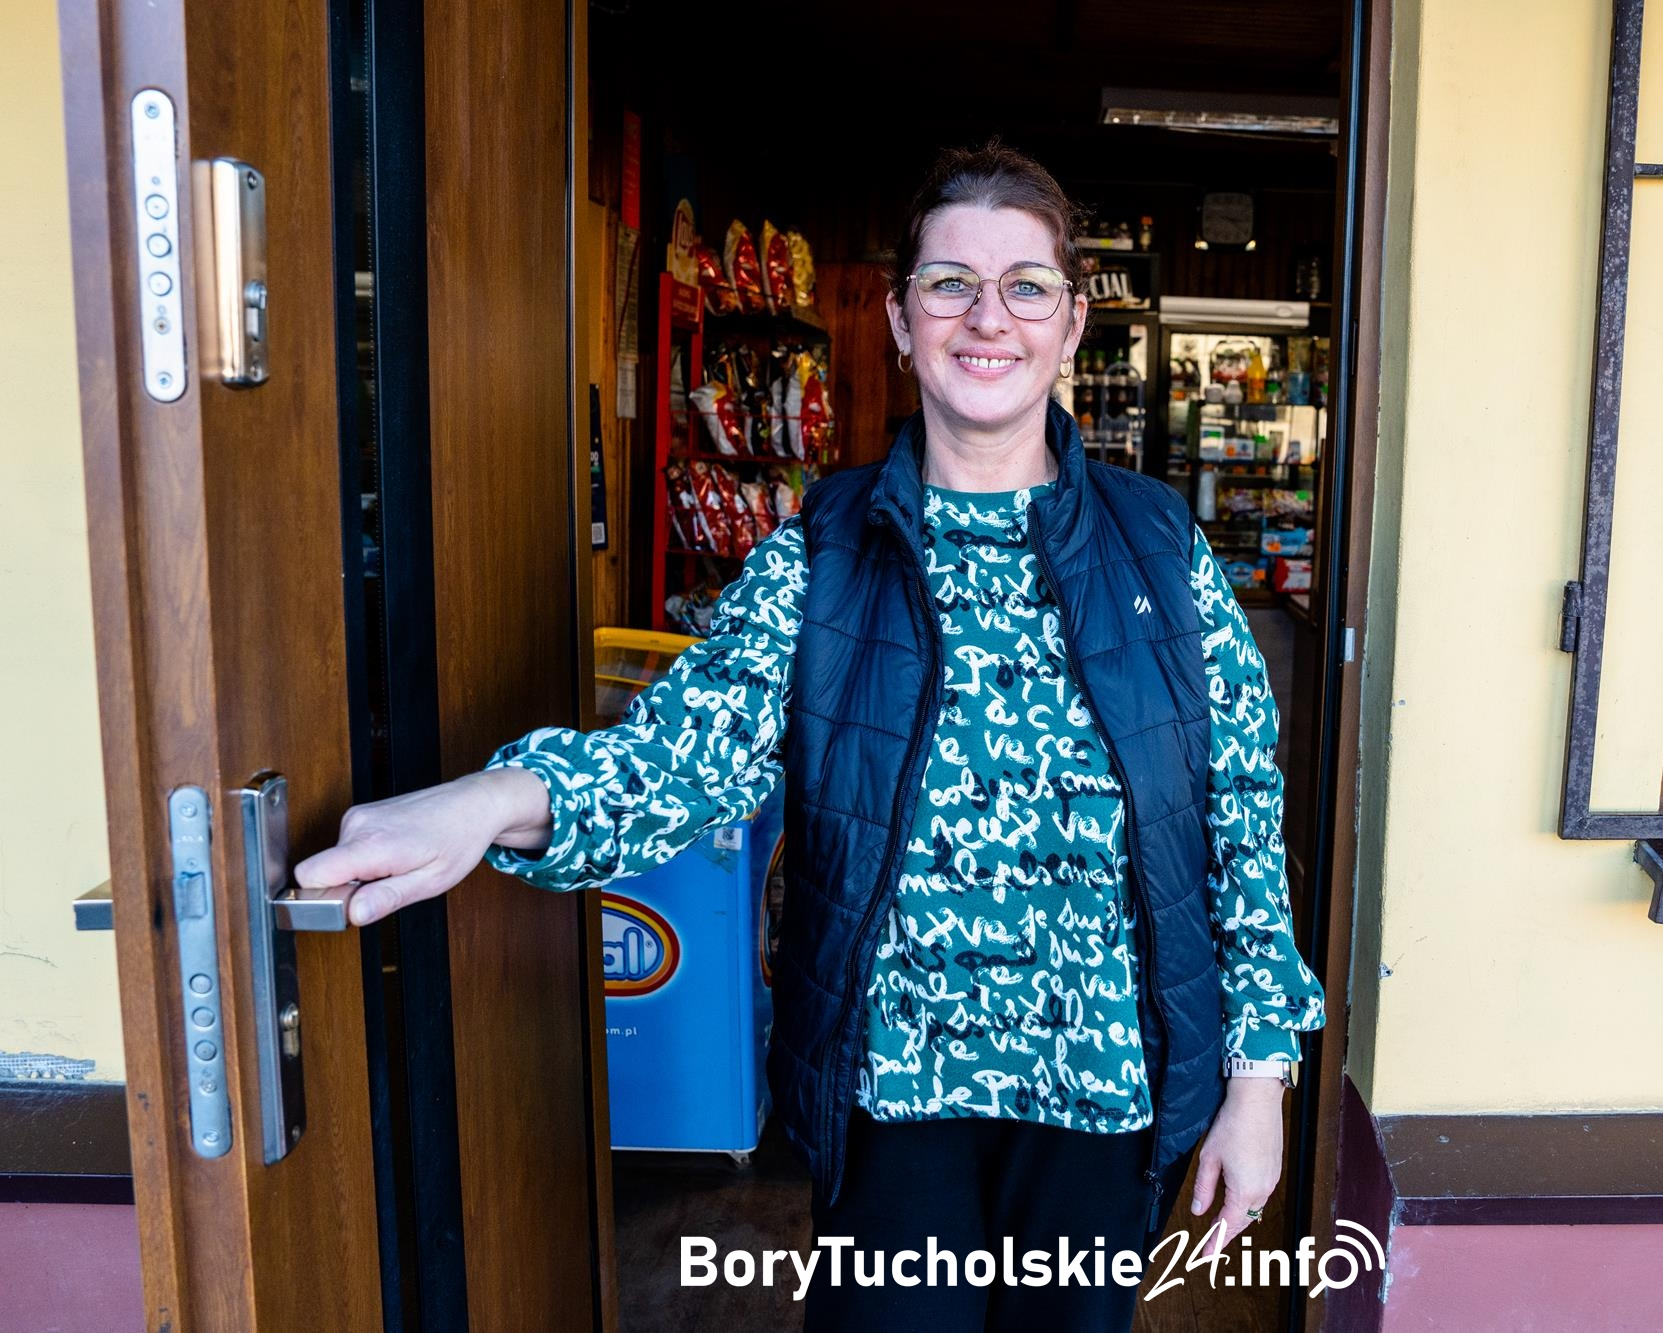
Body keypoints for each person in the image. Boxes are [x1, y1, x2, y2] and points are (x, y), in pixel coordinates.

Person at [297, 141, 1326, 1332]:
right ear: (897, 319)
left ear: (1071, 323)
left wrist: (1259, 1079)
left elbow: (1240, 817)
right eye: (948, 282)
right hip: (893, 1104)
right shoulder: (821, 554)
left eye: (1025, 285)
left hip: (1107, 1099)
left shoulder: (1158, 549)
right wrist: (489, 799)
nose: (986, 316)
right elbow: (678, 756)